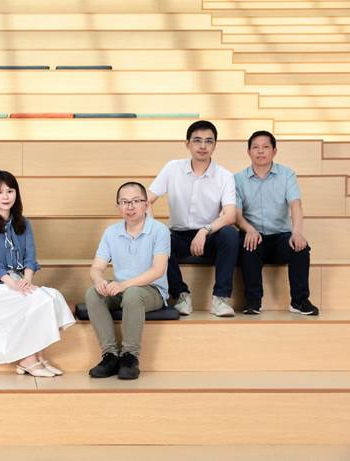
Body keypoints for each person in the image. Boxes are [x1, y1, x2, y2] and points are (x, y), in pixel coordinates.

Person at [0, 170, 75, 377]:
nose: (5, 196)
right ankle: (28, 360)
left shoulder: (23, 222)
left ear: (16, 194)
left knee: (52, 296)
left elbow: (30, 257)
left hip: (19, 279)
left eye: (10, 191)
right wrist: (14, 284)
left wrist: (26, 280)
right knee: (37, 300)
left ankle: (36, 358)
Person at [148, 120, 238, 317]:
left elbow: (230, 215)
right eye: (197, 140)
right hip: (178, 236)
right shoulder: (172, 168)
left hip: (209, 236)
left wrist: (205, 231)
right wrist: (153, 227)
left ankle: (220, 298)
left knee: (230, 235)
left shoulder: (225, 176)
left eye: (209, 141)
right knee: (156, 237)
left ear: (215, 145)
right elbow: (146, 200)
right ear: (187, 144)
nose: (203, 146)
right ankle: (181, 294)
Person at [85, 182, 170, 380]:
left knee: (132, 294)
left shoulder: (159, 230)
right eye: (124, 202)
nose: (130, 207)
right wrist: (98, 280)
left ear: (146, 204)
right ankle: (110, 355)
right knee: (93, 293)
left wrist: (124, 285)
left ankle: (130, 357)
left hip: (152, 291)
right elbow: (96, 268)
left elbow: (158, 270)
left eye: (136, 201)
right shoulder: (111, 232)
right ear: (118, 206)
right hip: (122, 289)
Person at [235, 130, 318, 315]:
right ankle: (253, 302)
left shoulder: (287, 174)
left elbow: (295, 204)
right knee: (249, 246)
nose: (260, 151)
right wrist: (249, 229)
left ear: (274, 151)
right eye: (255, 147)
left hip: (281, 236)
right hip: (253, 234)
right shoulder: (237, 179)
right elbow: (237, 214)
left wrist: (297, 232)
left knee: (301, 248)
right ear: (248, 152)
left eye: (265, 147)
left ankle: (299, 301)